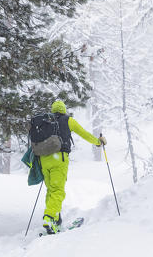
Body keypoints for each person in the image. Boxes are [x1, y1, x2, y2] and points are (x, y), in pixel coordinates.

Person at [40, 100, 106, 234]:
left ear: (53, 110)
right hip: (59, 160)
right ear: (63, 110)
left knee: (51, 191)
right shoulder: (67, 120)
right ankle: (49, 217)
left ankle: (55, 221)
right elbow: (84, 133)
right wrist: (98, 142)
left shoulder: (44, 121)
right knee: (58, 191)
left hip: (44, 160)